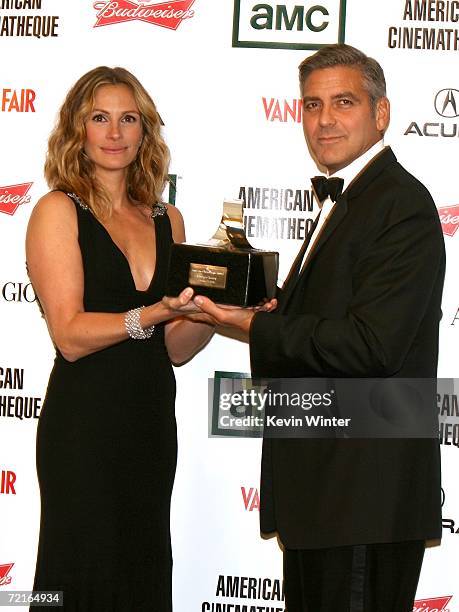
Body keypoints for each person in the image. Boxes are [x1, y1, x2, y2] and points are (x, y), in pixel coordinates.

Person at [193, 45, 445, 611]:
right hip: (328, 493)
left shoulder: (399, 203)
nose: (324, 118)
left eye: (344, 102)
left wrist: (252, 328)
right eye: (312, 104)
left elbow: (373, 346)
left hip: (361, 496)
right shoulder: (350, 199)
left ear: (381, 114)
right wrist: (268, 314)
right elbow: (336, 325)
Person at [26, 66, 215, 611]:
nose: (115, 133)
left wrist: (209, 313)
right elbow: (69, 335)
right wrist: (153, 310)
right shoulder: (58, 210)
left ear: (144, 130)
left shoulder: (168, 220)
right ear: (77, 130)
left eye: (128, 118)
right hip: (83, 428)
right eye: (100, 118)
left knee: (141, 567)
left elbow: (174, 348)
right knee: (78, 570)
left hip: (150, 423)